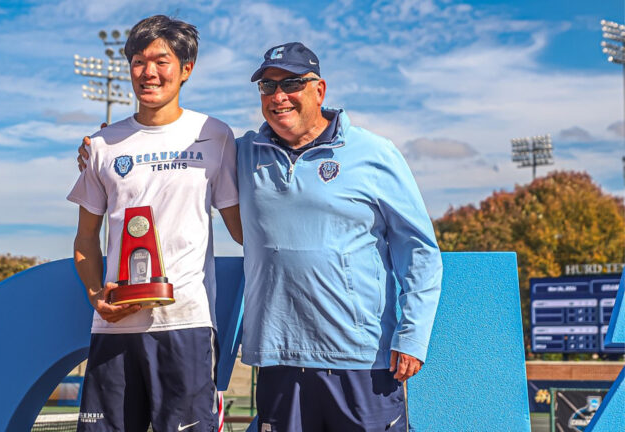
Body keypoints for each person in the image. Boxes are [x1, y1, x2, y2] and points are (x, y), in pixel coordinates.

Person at [78, 42, 442, 432]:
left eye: (293, 83)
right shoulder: (242, 152)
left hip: (361, 360)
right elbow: (167, 150)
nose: (279, 96)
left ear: (319, 90)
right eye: (268, 86)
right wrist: (114, 143)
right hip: (278, 358)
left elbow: (419, 250)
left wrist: (412, 335)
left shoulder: (375, 153)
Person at [68, 15, 241, 432]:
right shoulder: (103, 144)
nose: (148, 72)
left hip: (187, 323)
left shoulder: (214, 135)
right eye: (138, 61)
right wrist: (96, 295)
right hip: (115, 325)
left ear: (186, 69)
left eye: (161, 61)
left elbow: (242, 229)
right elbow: (86, 238)